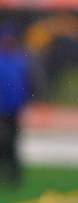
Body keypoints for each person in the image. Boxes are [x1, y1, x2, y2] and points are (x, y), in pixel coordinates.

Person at [0, 26, 33, 186]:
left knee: (12, 143)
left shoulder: (20, 61)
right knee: (3, 142)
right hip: (2, 111)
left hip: (14, 110)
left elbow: (28, 83)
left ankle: (14, 177)